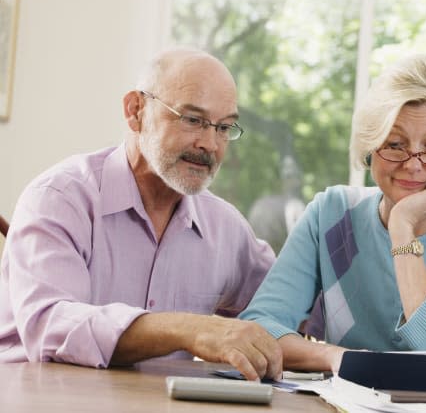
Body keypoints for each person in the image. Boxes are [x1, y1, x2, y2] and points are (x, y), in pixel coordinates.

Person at [240, 54, 426, 384]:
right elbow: (259, 329)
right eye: (395, 144)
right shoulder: (331, 214)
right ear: (370, 145)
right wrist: (337, 358)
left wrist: (403, 229)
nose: (412, 164)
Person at [0, 48, 282, 381]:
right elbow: (52, 326)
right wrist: (190, 329)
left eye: (224, 128)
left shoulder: (226, 228)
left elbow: (289, 305)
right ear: (136, 111)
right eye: (193, 120)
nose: (210, 144)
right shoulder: (59, 198)